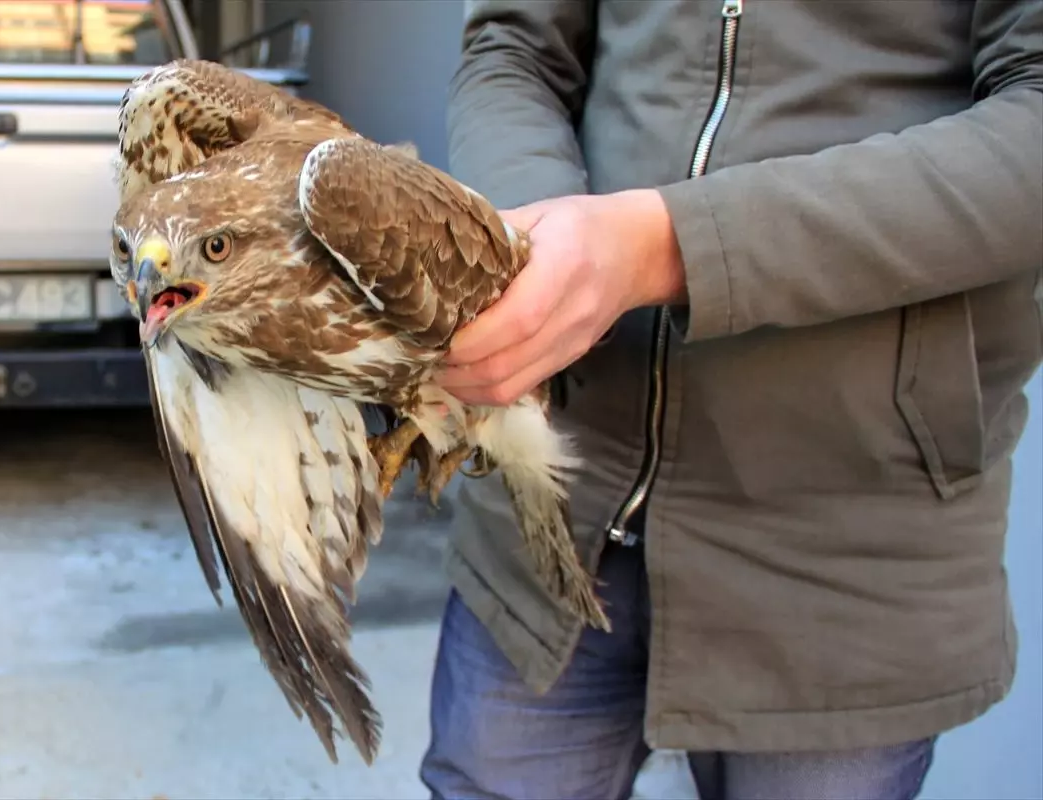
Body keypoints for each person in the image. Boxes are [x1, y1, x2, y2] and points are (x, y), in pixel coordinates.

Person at [419, 1, 1043, 798]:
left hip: (845, 550)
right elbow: (514, 46)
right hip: (550, 504)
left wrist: (669, 247)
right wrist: (533, 254)